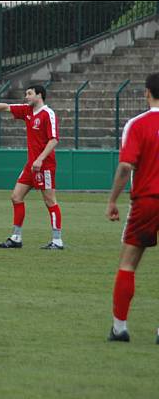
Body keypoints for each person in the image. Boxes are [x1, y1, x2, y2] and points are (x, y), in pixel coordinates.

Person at [0, 85, 63, 250]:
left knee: (50, 201)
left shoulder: (48, 114)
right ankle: (16, 238)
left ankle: (57, 241)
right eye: (26, 93)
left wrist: (40, 159)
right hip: (31, 165)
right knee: (16, 197)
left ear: (39, 95)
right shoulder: (27, 111)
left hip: (45, 165)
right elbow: (5, 107)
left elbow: (54, 139)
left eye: (29, 93)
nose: (26, 96)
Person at [106, 73, 159, 343]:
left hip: (147, 200)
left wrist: (112, 199)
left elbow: (126, 166)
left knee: (128, 264)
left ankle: (119, 328)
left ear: (147, 93)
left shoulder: (137, 124)